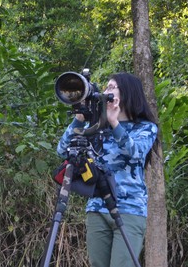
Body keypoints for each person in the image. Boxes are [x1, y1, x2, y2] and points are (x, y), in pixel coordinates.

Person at [56, 72, 158, 267]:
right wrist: (79, 119)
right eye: (106, 87)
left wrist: (114, 122)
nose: (106, 91)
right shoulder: (95, 127)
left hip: (130, 209)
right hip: (97, 206)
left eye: (112, 87)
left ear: (127, 93)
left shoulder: (145, 127)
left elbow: (136, 152)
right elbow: (62, 150)